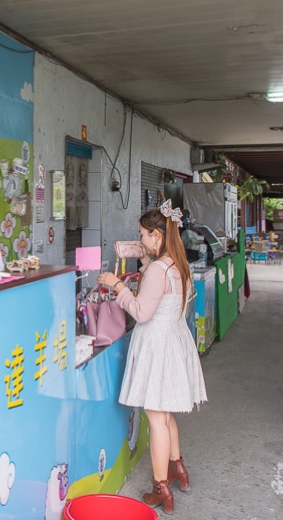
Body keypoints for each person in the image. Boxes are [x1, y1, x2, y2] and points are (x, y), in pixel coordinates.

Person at [97, 200, 207, 515]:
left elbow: (142, 312)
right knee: (166, 414)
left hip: (158, 345)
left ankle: (161, 488)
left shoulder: (159, 269)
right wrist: (146, 262)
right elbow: (162, 292)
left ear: (156, 235)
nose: (141, 240)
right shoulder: (176, 263)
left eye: (143, 235)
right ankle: (177, 469)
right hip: (174, 340)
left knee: (156, 418)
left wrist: (117, 285)